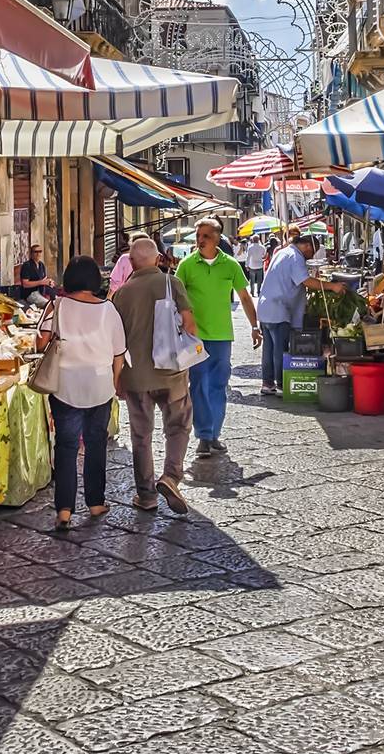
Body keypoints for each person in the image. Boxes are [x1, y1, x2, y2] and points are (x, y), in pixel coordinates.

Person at [110, 237, 196, 513]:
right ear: (159, 259)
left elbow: (116, 342)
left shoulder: (122, 294)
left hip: (137, 376)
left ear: (132, 263)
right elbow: (189, 322)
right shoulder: (172, 283)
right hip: (171, 372)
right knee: (179, 426)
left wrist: (117, 378)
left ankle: (146, 495)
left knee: (141, 435)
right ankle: (171, 476)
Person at [39, 256, 125, 530]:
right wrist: (115, 381)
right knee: (96, 444)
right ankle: (96, 502)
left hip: (65, 385)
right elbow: (118, 354)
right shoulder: (108, 310)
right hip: (100, 385)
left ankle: (64, 510)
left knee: (66, 447)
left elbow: (40, 342)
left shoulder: (58, 306)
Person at [175, 219, 258, 457]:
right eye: (198, 236)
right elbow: (177, 298)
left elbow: (244, 296)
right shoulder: (187, 265)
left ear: (217, 238)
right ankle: (203, 435)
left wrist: (255, 326)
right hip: (195, 338)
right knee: (199, 385)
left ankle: (214, 434)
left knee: (219, 386)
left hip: (222, 336)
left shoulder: (230, 265)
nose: (200, 240)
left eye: (206, 236)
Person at [257, 232, 347, 398]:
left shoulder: (282, 252)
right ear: (306, 246)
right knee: (279, 349)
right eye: (312, 252)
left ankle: (267, 383)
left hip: (266, 307)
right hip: (279, 308)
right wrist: (331, 286)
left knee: (268, 348)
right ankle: (281, 383)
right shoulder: (295, 257)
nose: (310, 256)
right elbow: (305, 281)